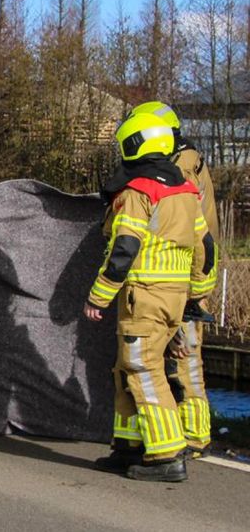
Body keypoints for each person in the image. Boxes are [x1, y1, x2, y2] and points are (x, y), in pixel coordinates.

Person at [88, 112, 215, 482]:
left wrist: (98, 297)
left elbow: (124, 247)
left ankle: (166, 455)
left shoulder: (139, 191)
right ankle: (127, 446)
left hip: (142, 294)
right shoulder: (186, 190)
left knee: (143, 368)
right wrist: (196, 296)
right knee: (125, 369)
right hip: (173, 299)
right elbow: (204, 247)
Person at [127, 101, 219, 459]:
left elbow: (186, 229)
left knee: (185, 356)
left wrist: (195, 296)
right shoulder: (191, 160)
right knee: (181, 356)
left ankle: (193, 437)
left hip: (181, 280)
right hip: (186, 277)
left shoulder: (180, 167)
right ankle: (187, 433)